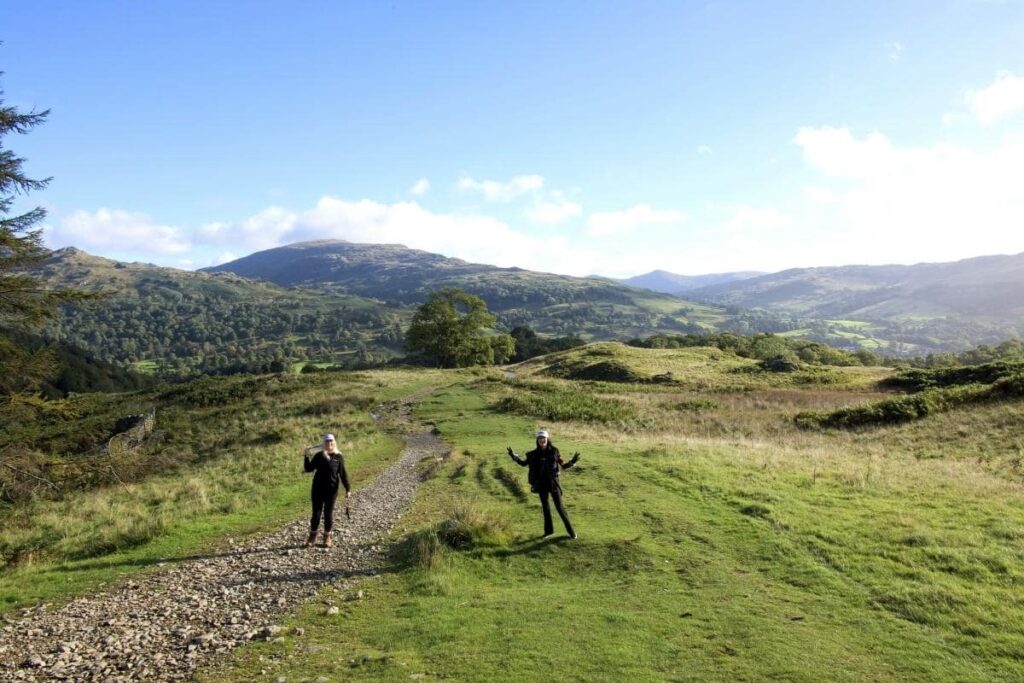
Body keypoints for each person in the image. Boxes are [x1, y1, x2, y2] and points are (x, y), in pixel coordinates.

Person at [507, 429, 580, 539]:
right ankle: (548, 532)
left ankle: (572, 533)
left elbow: (562, 464)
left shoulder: (555, 451)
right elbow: (523, 463)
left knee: (560, 507)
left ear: (547, 439)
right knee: (545, 508)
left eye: (544, 438)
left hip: (554, 483)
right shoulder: (533, 454)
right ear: (537, 440)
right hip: (541, 483)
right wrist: (514, 456)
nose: (542, 440)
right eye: (540, 439)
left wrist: (572, 462)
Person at [303, 433, 350, 547]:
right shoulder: (319, 455)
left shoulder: (339, 457)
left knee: (328, 514)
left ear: (334, 443)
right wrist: (306, 456)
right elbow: (309, 469)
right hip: (317, 489)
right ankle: (312, 536)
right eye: (327, 442)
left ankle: (327, 537)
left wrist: (348, 489)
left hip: (332, 490)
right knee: (316, 514)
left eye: (331, 441)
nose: (329, 443)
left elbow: (343, 474)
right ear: (324, 443)